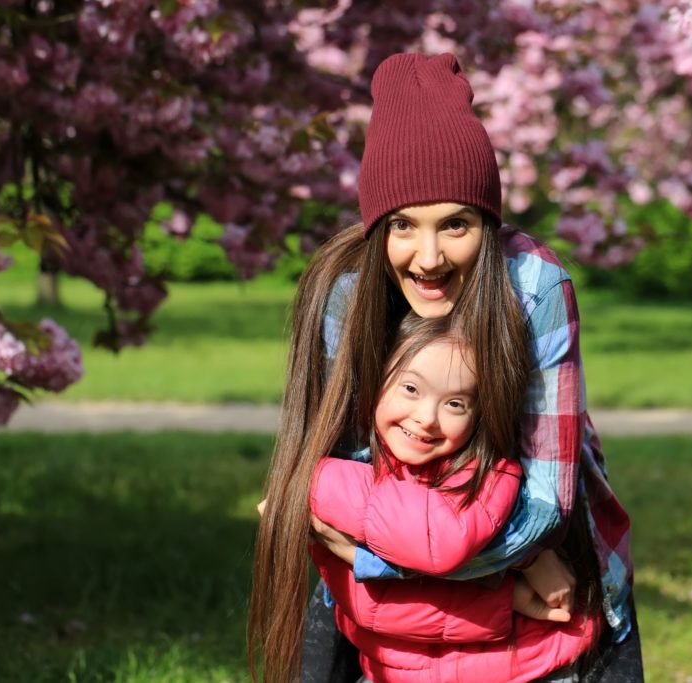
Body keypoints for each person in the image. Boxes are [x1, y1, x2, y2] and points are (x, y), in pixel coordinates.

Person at [249, 52, 642, 683]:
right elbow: (325, 478)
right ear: (377, 227)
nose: (427, 257)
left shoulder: (535, 285)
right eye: (403, 225)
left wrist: (388, 552)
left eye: (454, 224)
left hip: (551, 577)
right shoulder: (348, 293)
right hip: (390, 596)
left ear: (487, 222)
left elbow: (544, 503)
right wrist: (499, 567)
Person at [309, 311, 602, 683]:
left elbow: (441, 541)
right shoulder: (362, 457)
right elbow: (365, 606)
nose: (427, 417)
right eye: (411, 389)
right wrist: (503, 597)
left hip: (519, 670)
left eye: (455, 404)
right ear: (379, 380)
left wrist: (310, 482)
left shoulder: (491, 473)